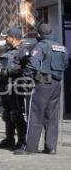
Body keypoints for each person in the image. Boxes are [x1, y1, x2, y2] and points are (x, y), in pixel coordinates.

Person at [14, 24, 69, 155]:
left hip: (41, 85)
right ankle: (51, 147)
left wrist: (27, 79)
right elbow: (65, 64)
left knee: (35, 115)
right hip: (56, 84)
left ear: (39, 34)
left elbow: (32, 64)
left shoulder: (41, 45)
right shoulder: (62, 47)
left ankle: (30, 148)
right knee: (52, 116)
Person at [0, 27, 29, 150]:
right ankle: (9, 139)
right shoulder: (6, 51)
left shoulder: (23, 51)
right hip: (5, 86)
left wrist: (9, 72)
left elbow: (26, 68)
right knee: (7, 114)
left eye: (6, 37)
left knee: (16, 114)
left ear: (13, 38)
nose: (5, 39)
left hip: (16, 86)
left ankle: (21, 141)